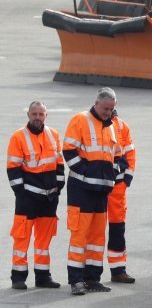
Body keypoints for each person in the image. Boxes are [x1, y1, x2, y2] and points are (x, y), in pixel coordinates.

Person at [63, 88, 119, 295]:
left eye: (112, 109)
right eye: (106, 108)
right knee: (80, 237)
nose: (108, 112)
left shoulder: (111, 125)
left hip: (101, 190)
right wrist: (87, 173)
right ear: (96, 103)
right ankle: (76, 281)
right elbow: (68, 151)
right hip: (81, 190)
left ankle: (93, 279)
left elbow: (116, 155)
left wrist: (112, 173)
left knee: (97, 238)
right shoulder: (80, 120)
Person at [6, 101, 64, 289]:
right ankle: (18, 277)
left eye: (41, 114)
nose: (37, 118)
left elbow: (59, 164)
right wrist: (21, 194)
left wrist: (59, 187)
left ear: (46, 115)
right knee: (22, 238)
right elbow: (13, 169)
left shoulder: (54, 135)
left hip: (49, 198)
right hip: (27, 198)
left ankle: (43, 277)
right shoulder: (18, 137)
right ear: (28, 115)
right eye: (34, 114)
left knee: (43, 240)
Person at [107, 109, 136, 283]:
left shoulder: (122, 126)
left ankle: (118, 270)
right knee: (92, 230)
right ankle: (89, 273)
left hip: (117, 187)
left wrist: (126, 180)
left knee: (117, 227)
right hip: (96, 185)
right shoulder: (88, 123)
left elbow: (130, 153)